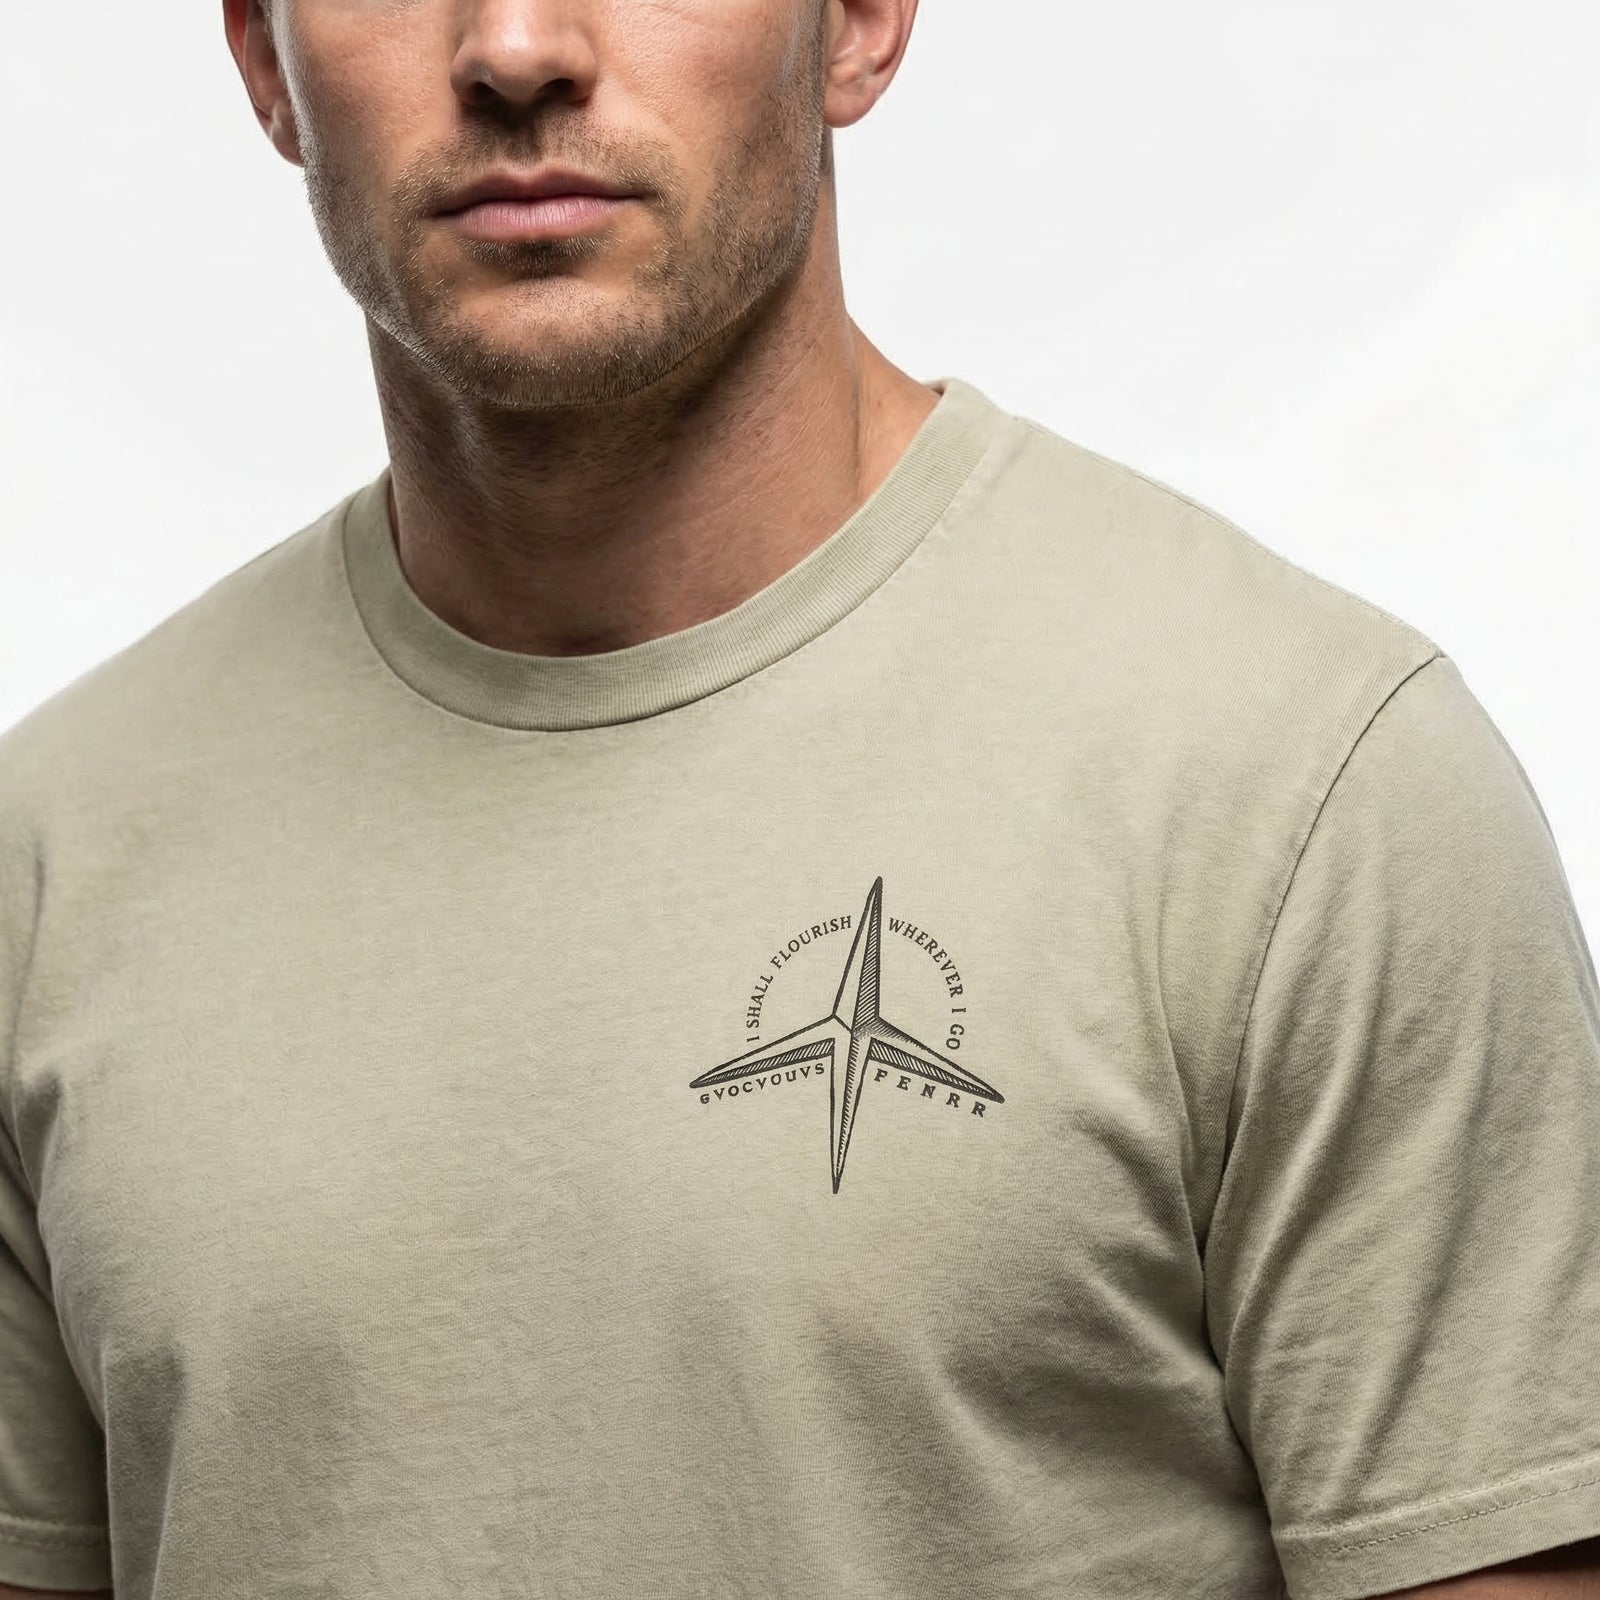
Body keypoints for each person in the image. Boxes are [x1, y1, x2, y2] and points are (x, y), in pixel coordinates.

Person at [1, 0, 1597, 1595]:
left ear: (858, 22)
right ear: (266, 62)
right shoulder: (48, 864)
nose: (515, 45)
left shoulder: (1303, 788)